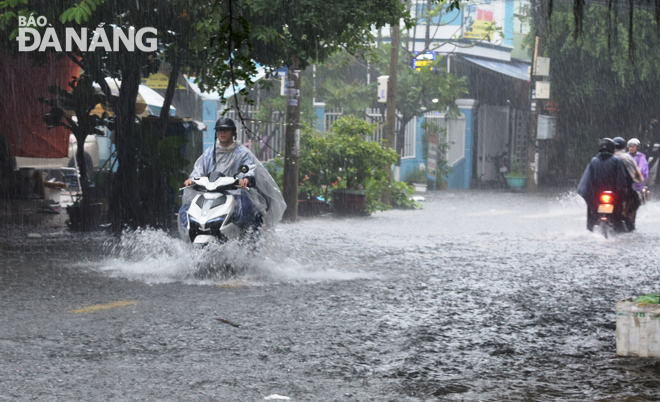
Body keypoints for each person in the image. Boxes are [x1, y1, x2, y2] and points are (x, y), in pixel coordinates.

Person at [180, 117, 286, 231]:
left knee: (248, 210)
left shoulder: (243, 153)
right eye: (220, 130)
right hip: (210, 193)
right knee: (186, 209)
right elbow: (199, 169)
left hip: (236, 194)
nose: (223, 132)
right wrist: (191, 179)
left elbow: (249, 167)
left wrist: (246, 178)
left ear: (233, 132)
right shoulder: (209, 153)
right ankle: (190, 238)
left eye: (226, 129)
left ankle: (249, 241)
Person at [577, 138, 631, 231]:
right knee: (620, 214)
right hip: (614, 194)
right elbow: (622, 179)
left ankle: (590, 228)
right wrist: (622, 193)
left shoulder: (594, 160)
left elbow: (587, 180)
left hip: (596, 195)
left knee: (591, 213)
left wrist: (588, 193)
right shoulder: (617, 160)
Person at [612, 137, 643, 230]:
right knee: (636, 200)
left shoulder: (604, 157)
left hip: (603, 188)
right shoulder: (627, 157)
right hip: (622, 190)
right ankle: (627, 217)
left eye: (633, 146)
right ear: (624, 147)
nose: (631, 148)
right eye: (630, 146)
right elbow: (639, 177)